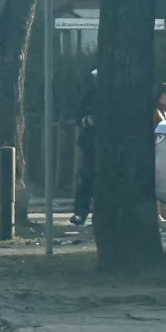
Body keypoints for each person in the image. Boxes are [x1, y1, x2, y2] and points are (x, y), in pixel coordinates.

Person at [70, 69, 96, 227]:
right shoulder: (90, 97)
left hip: (112, 146)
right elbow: (78, 118)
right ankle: (80, 213)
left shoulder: (118, 95)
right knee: (87, 179)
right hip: (91, 143)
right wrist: (90, 121)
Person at [154, 82, 166, 224]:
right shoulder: (155, 112)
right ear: (162, 95)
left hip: (165, 150)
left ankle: (165, 212)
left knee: (164, 180)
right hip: (157, 149)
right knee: (157, 182)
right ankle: (157, 213)